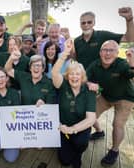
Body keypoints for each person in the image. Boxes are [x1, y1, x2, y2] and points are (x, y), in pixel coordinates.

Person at [86, 40, 134, 166]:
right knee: (90, 115)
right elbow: (84, 78)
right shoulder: (95, 64)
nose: (107, 53)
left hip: (125, 98)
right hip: (106, 96)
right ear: (100, 52)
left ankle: (114, 150)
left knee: (117, 124)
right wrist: (88, 83)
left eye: (111, 50)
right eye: (104, 50)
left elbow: (131, 74)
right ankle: (99, 132)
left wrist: (132, 61)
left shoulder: (122, 64)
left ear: (117, 53)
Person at [51, 39, 96, 168]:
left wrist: (72, 130)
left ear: (82, 77)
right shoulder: (63, 85)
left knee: (80, 143)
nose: (74, 77)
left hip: (79, 129)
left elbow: (91, 118)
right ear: (67, 75)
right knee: (64, 161)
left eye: (77, 74)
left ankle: (78, 154)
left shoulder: (89, 90)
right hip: (63, 128)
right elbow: (54, 73)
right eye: (71, 74)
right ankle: (69, 147)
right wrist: (65, 52)